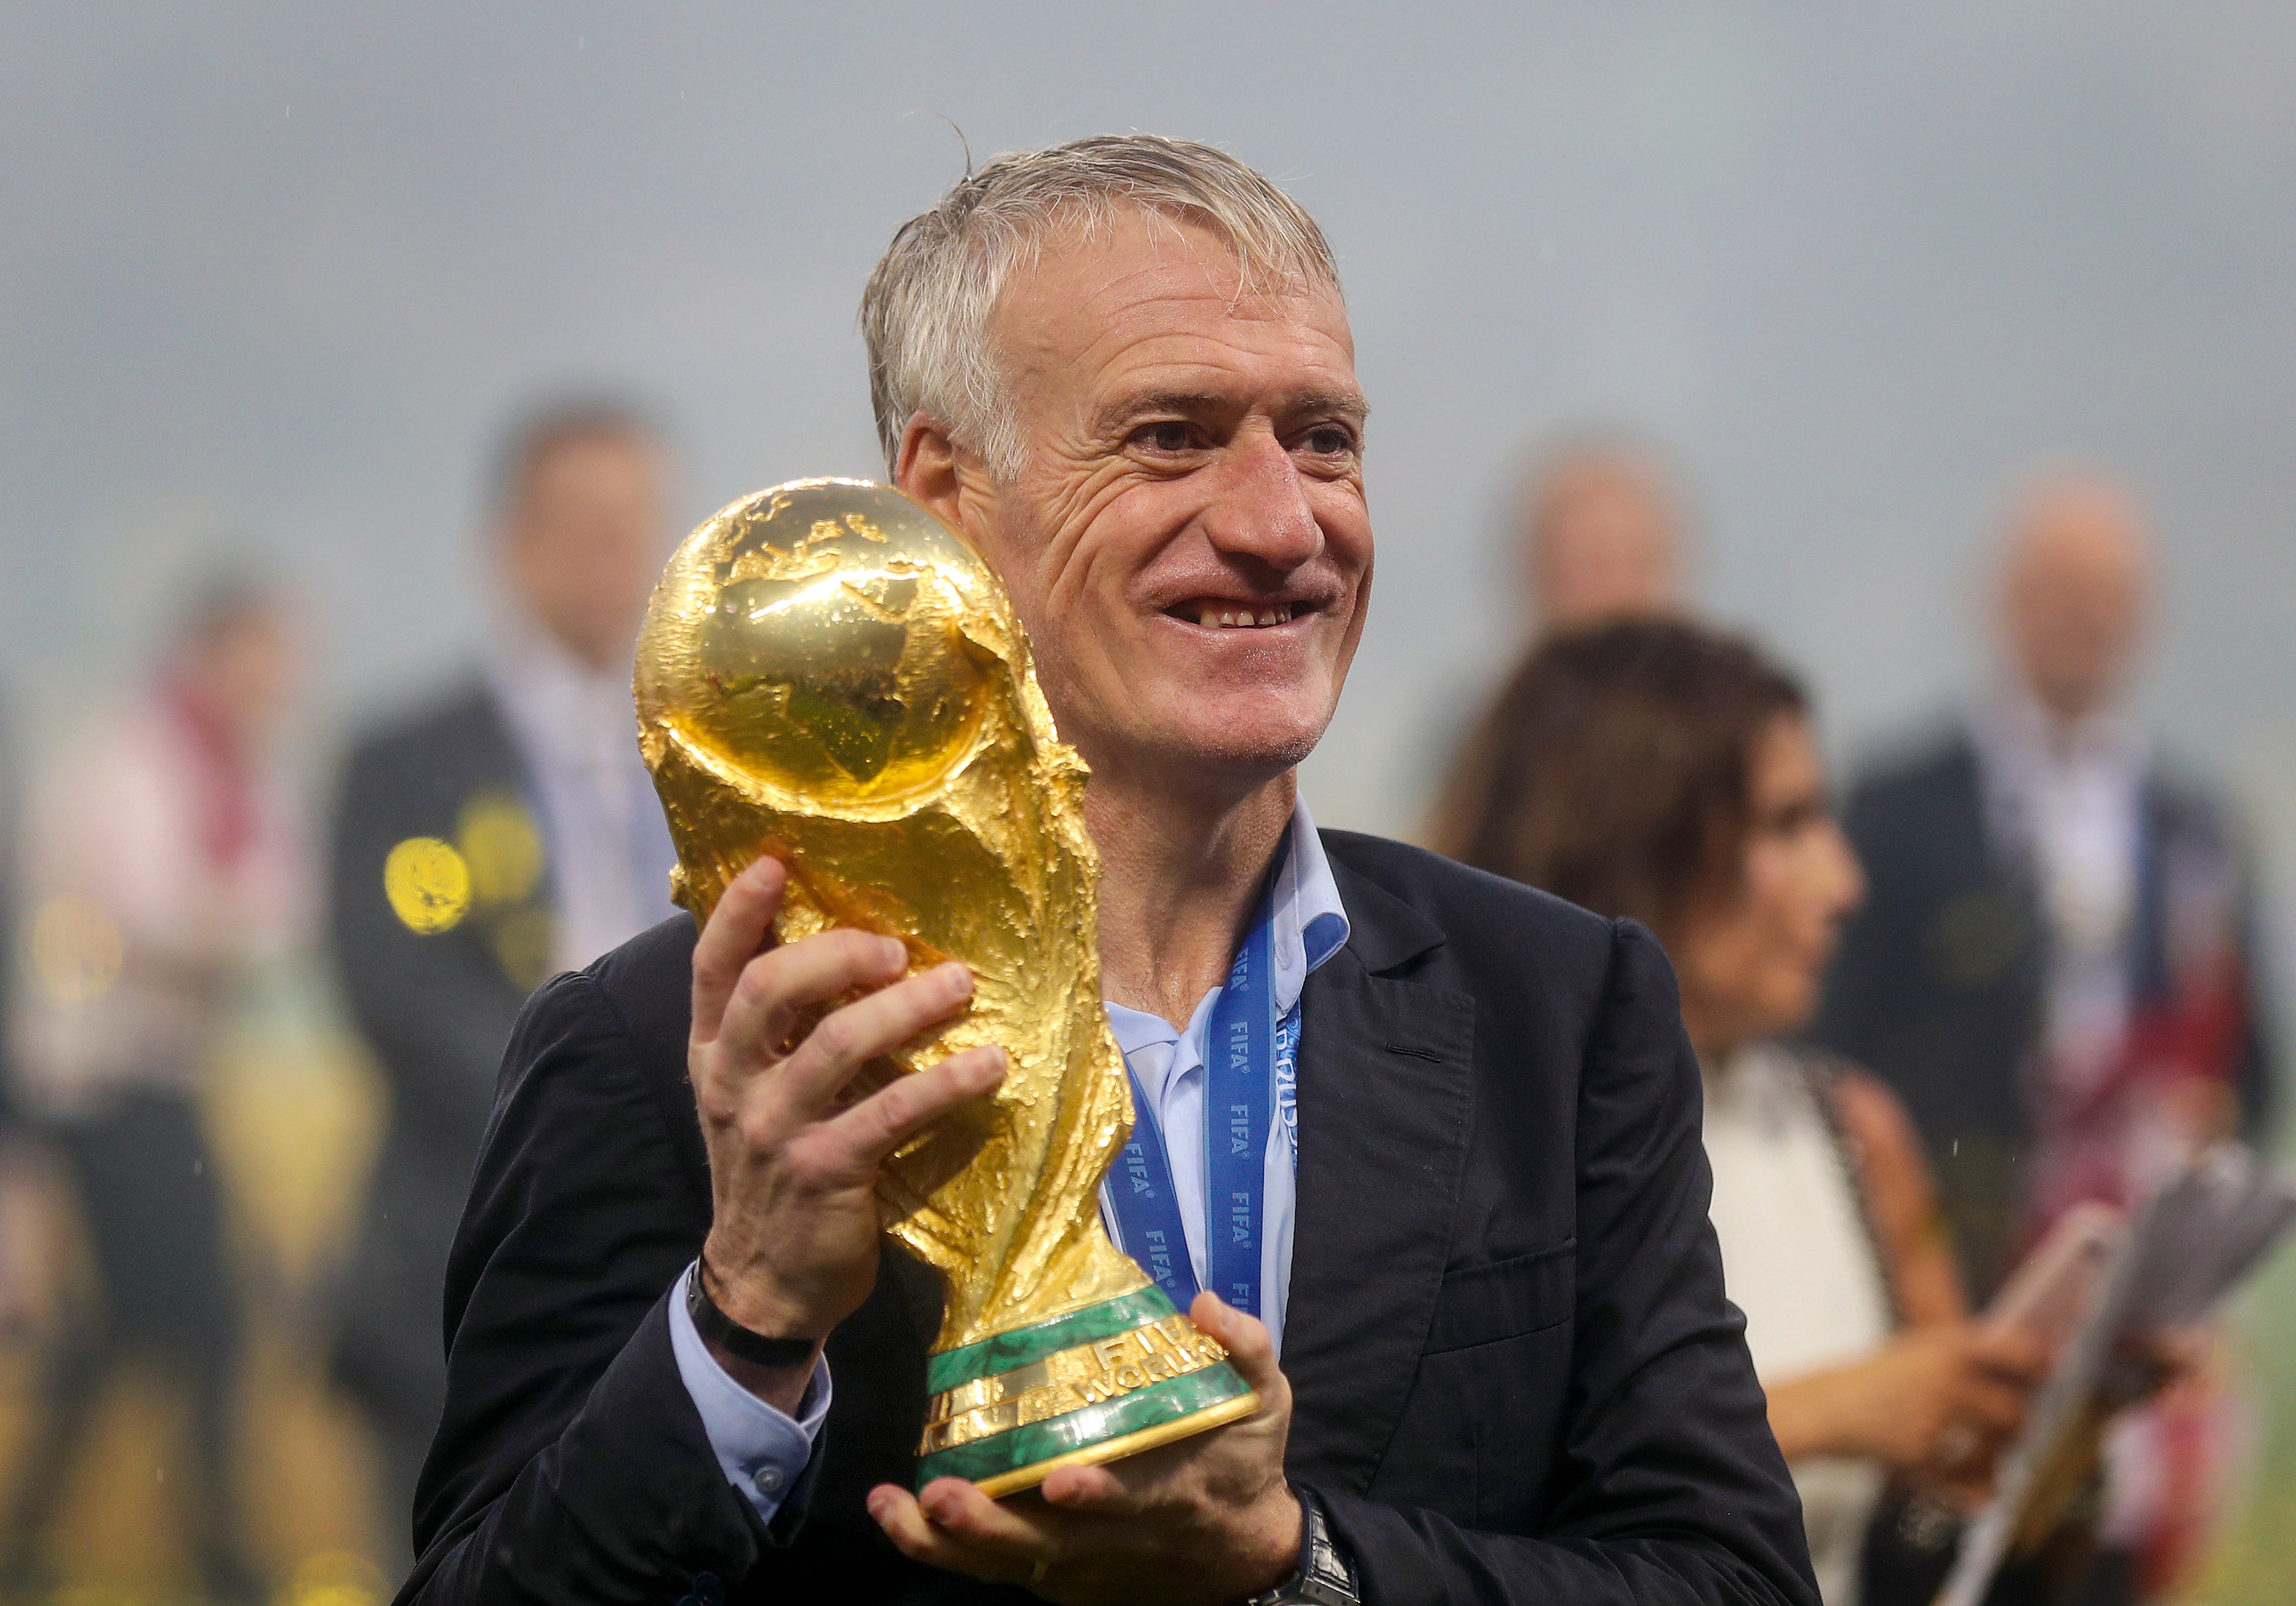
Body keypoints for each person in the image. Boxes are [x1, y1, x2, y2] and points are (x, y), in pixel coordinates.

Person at [399, 137, 1818, 1606]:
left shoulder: (1557, 1009)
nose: (1283, 523)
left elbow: (1730, 1582)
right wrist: (746, 1320)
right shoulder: (663, 1060)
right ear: (944, 498)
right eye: (1170, 436)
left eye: (1324, 438)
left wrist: (1296, 1562)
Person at [1432, 619, 2048, 1604]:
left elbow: (1942, 1528)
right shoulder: (1467, 1134)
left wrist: (2059, 1419)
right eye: (1787, 824)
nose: (1841, 884)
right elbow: (1452, 1506)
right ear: (1637, 831)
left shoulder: (1852, 1130)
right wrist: (1837, 1409)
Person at [1814, 475, 2273, 1601]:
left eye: (2105, 593)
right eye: (2054, 588)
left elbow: (2247, 1064)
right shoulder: (1897, 802)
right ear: (2001, 602)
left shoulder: (2191, 824)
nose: (2079, 617)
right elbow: (1838, 1037)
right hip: (1949, 1282)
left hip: (2128, 1303)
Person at [327, 398, 680, 1563]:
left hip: (687, 1264)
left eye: (634, 526)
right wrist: (604, 1116)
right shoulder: (407, 763)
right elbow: (398, 994)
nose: (612, 558)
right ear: (513, 545)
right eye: (584, 527)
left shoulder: (697, 743)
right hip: (463, 1250)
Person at [2, 567, 305, 1604]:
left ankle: (32, 1542)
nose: (277, 685)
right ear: (212, 653)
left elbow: (263, 913)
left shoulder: (224, 772)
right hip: (99, 1086)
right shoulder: (128, 761)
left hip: (166, 1080)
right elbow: (165, 916)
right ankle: (222, 1556)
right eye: (262, 660)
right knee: (205, 1319)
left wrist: (224, 926)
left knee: (127, 1331)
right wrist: (230, 927)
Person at [1512, 433, 1690, 634]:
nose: (1612, 588)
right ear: (1543, 574)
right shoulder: (1529, 665)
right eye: (1590, 566)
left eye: (1626, 563)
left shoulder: (1714, 665)